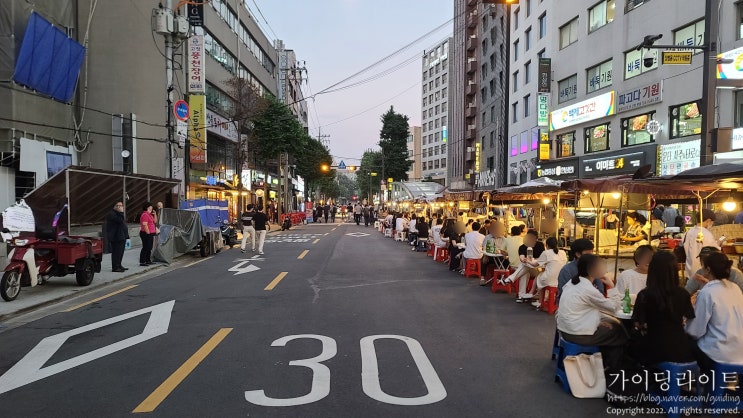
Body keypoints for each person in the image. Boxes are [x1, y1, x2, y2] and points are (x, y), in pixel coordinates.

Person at [556, 253, 625, 370]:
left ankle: (605, 363)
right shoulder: (588, 289)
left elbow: (581, 309)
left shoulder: (573, 282)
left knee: (609, 324)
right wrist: (612, 286)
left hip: (566, 329)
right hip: (577, 334)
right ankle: (612, 367)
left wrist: (597, 322)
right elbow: (614, 307)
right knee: (619, 332)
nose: (605, 269)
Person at [631, 251, 696, 366]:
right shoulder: (683, 293)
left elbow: (638, 323)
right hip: (682, 349)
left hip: (655, 349)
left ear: (653, 270)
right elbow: (690, 317)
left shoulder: (645, 295)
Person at [686, 252, 743, 372]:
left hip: (719, 354)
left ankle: (695, 383)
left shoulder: (707, 292)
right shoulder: (735, 288)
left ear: (707, 269)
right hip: (739, 350)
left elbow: (695, 331)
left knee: (686, 343)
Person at [500, 229, 546, 302]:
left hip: (538, 270)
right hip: (528, 268)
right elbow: (521, 257)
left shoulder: (540, 245)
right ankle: (521, 296)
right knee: (525, 272)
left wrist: (532, 261)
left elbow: (542, 258)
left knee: (524, 267)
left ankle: (510, 279)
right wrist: (524, 259)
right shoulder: (522, 247)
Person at [528, 237, 567, 308]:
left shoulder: (546, 252)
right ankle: (546, 298)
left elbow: (535, 264)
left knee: (538, 277)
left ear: (547, 245)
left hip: (550, 279)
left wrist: (528, 261)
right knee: (542, 276)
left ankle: (540, 301)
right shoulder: (563, 252)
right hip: (561, 279)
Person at [556, 238, 598, 303]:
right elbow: (563, 295)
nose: (591, 256)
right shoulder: (567, 271)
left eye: (592, 252)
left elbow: (600, 290)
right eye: (588, 253)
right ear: (578, 254)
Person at [682, 208, 719, 282]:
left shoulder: (688, 232)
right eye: (711, 222)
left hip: (689, 270)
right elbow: (715, 250)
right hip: (701, 272)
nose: (711, 224)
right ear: (708, 221)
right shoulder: (706, 234)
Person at [106, 202, 129, 272]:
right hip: (116, 236)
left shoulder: (118, 214)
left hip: (121, 236)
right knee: (116, 252)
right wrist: (121, 212)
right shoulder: (112, 214)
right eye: (120, 206)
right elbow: (120, 220)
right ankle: (115, 267)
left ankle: (119, 264)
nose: (122, 207)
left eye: (122, 206)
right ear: (116, 206)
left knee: (120, 252)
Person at [139, 202, 156, 266]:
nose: (152, 208)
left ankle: (148, 260)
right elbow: (145, 225)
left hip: (150, 233)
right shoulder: (145, 215)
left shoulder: (150, 214)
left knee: (149, 247)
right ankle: (142, 261)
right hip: (146, 233)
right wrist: (148, 233)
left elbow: (155, 221)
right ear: (147, 207)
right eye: (150, 206)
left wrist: (155, 214)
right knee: (145, 247)